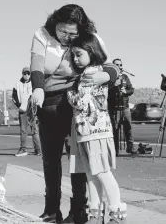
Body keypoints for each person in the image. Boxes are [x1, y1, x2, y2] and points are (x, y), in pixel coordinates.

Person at [29, 4, 119, 223]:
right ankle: (51, 210)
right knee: (51, 159)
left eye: (73, 34)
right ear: (55, 24)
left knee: (78, 160)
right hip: (49, 101)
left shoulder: (90, 37)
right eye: (63, 32)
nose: (67, 37)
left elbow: (110, 65)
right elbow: (37, 66)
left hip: (77, 102)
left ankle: (79, 210)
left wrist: (105, 76)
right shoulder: (42, 34)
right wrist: (38, 88)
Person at [67, 33, 127, 224]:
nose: (75, 59)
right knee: (91, 174)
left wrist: (68, 94)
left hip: (94, 132)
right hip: (87, 132)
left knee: (101, 173)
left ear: (91, 51)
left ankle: (116, 213)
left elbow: (80, 102)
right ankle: (95, 214)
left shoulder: (91, 73)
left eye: (79, 54)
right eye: (73, 55)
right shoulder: (93, 71)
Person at [108, 58, 136, 155]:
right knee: (115, 130)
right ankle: (115, 150)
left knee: (129, 128)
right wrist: (113, 85)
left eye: (120, 65)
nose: (119, 67)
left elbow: (131, 89)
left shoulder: (125, 77)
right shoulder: (109, 77)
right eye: (117, 65)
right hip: (114, 108)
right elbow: (104, 91)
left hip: (125, 107)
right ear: (113, 66)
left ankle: (130, 148)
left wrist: (126, 92)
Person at [12, 67, 42, 156]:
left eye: (28, 73)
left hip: (32, 110)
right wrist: (19, 105)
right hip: (22, 110)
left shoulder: (33, 83)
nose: (26, 75)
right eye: (24, 73)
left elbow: (37, 95)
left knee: (35, 130)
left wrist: (34, 106)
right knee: (23, 131)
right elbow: (14, 96)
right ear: (22, 74)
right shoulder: (17, 84)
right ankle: (23, 149)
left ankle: (38, 150)